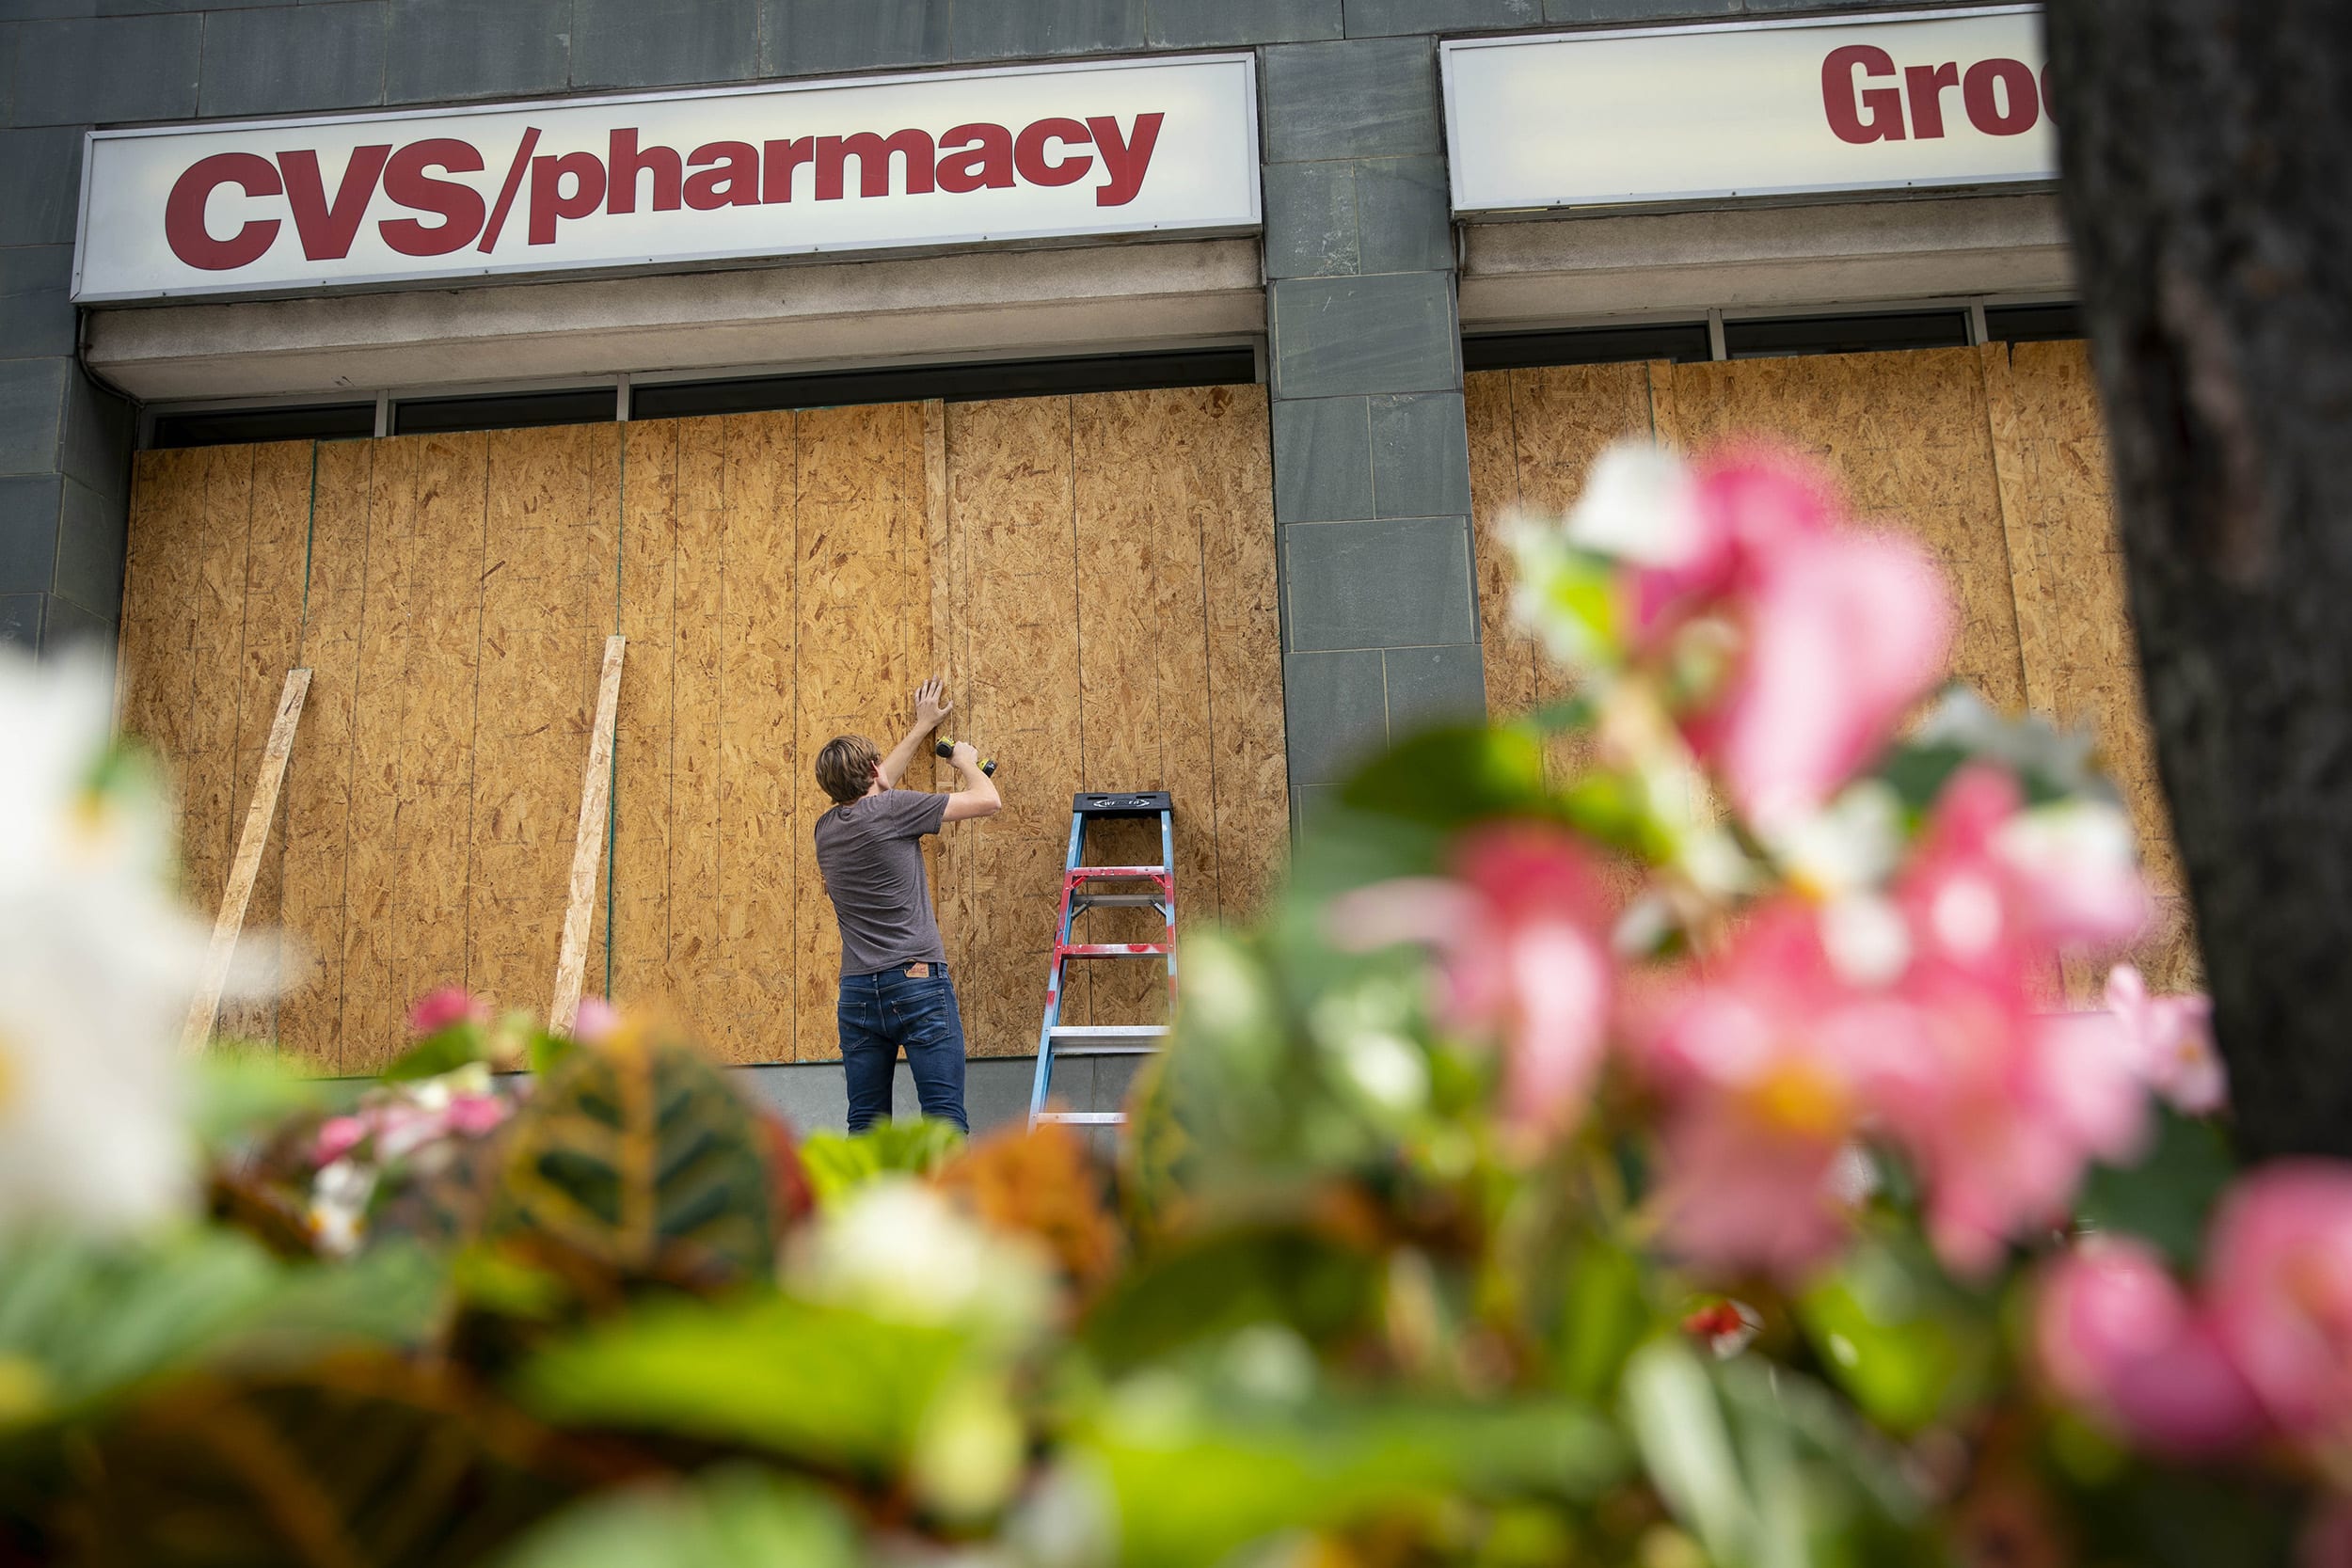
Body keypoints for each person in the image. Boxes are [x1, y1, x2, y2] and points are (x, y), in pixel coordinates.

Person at [811, 676, 999, 1134]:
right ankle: (947, 1208)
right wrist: (965, 761)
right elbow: (987, 800)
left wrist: (920, 728)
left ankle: (862, 1208)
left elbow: (877, 785)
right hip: (916, 983)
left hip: (857, 994)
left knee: (866, 1124)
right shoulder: (894, 809)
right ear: (874, 770)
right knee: (942, 1120)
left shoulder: (827, 828)